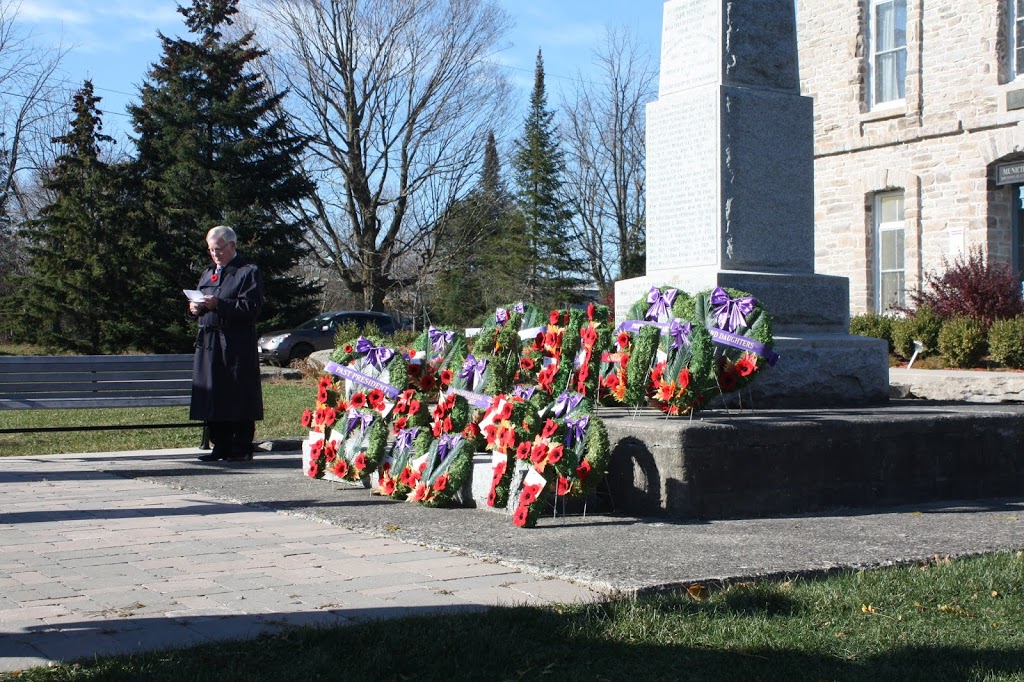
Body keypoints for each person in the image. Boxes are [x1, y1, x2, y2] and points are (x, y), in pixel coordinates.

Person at [188, 225, 264, 462]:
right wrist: (194, 308)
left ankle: (240, 447)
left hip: (235, 344)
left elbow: (251, 308)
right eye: (211, 250)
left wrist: (219, 304)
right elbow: (201, 300)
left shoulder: (247, 272)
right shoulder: (208, 272)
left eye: (219, 249)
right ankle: (219, 445)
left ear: (232, 245)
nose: (215, 254)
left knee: (237, 394)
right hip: (209, 343)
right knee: (214, 395)